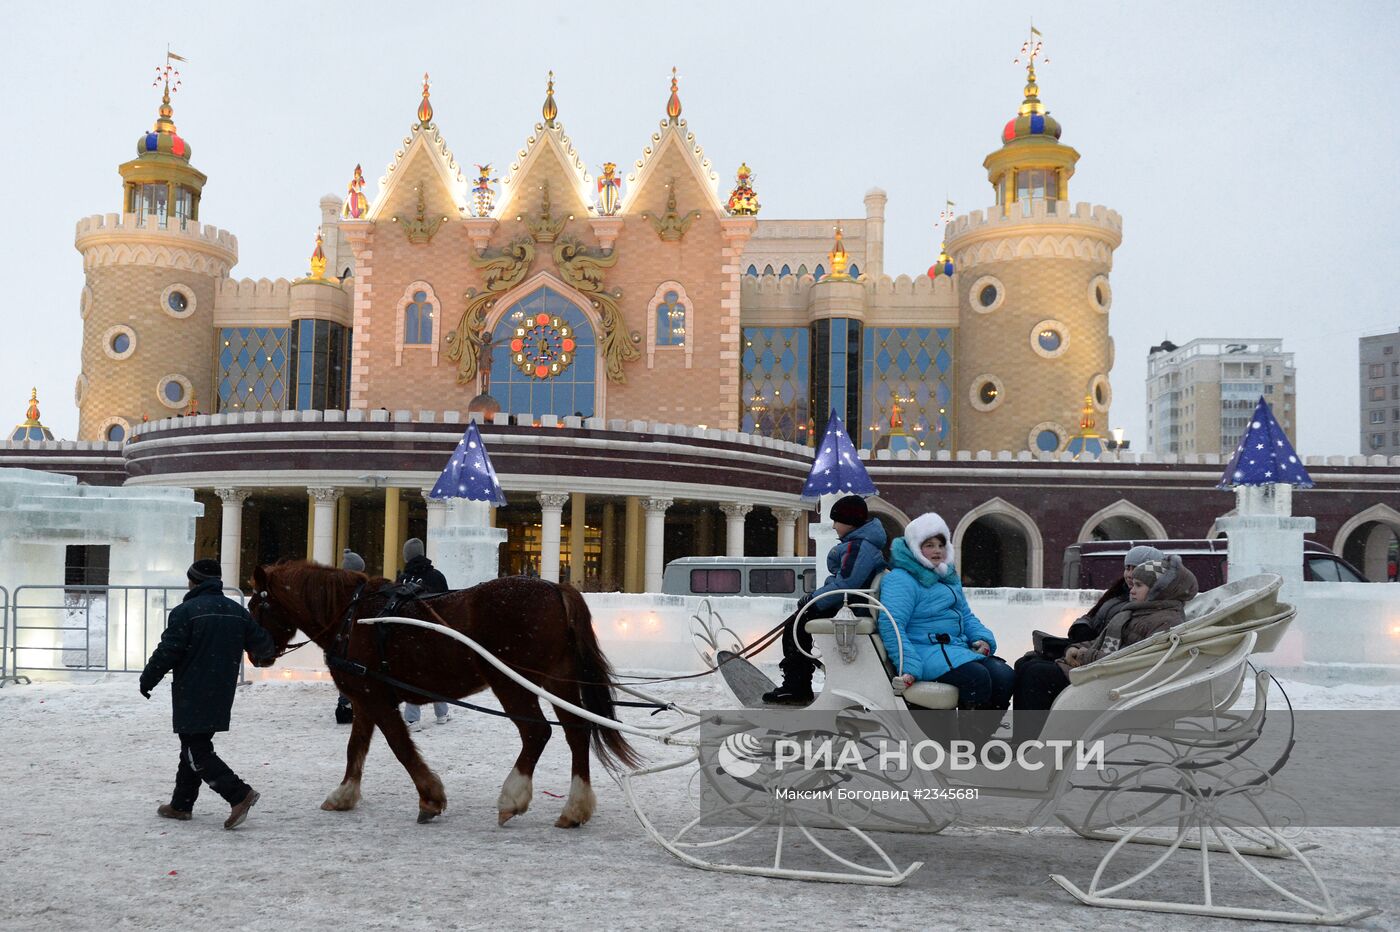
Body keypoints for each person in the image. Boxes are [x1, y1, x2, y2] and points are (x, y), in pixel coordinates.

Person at [139, 558, 275, 829]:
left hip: (193, 689)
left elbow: (168, 651)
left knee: (196, 750)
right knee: (192, 745)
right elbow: (265, 647)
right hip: (222, 690)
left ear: (194, 581)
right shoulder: (236, 611)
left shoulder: (185, 612)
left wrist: (148, 678)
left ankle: (238, 794)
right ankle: (181, 805)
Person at [1012, 555, 1199, 729]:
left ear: (1160, 591)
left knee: (1036, 674)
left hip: (1114, 682)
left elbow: (1136, 660)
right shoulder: (1139, 611)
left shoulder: (1164, 621)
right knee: (1026, 663)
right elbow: (1103, 641)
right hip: (1102, 671)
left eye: (1139, 585)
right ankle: (1029, 738)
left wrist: (1086, 656)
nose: (1131, 590)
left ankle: (1031, 743)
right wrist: (1076, 648)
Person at [877, 512, 1015, 712]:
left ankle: (981, 736)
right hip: (923, 651)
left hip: (954, 649)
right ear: (915, 547)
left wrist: (982, 638)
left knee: (1004, 676)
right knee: (977, 678)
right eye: (929, 545)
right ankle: (968, 738)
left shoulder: (946, 576)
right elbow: (892, 625)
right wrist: (910, 666)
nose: (937, 551)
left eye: (941, 545)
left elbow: (965, 615)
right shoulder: (901, 579)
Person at [762, 495, 888, 705]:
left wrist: (812, 599)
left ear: (850, 522)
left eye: (836, 520)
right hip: (852, 603)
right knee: (797, 623)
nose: (833, 526)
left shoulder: (858, 547)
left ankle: (796, 687)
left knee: (796, 626)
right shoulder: (863, 544)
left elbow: (846, 585)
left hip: (851, 607)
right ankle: (797, 682)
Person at [396, 538, 453, 729]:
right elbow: (446, 605)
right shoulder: (436, 576)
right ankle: (442, 713)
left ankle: (412, 718)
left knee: (412, 673)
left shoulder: (402, 578)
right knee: (434, 672)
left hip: (407, 633)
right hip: (431, 632)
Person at [333, 549, 366, 725]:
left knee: (344, 673)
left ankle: (345, 706)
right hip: (351, 636)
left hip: (341, 639)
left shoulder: (337, 588)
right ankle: (350, 705)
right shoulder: (356, 589)